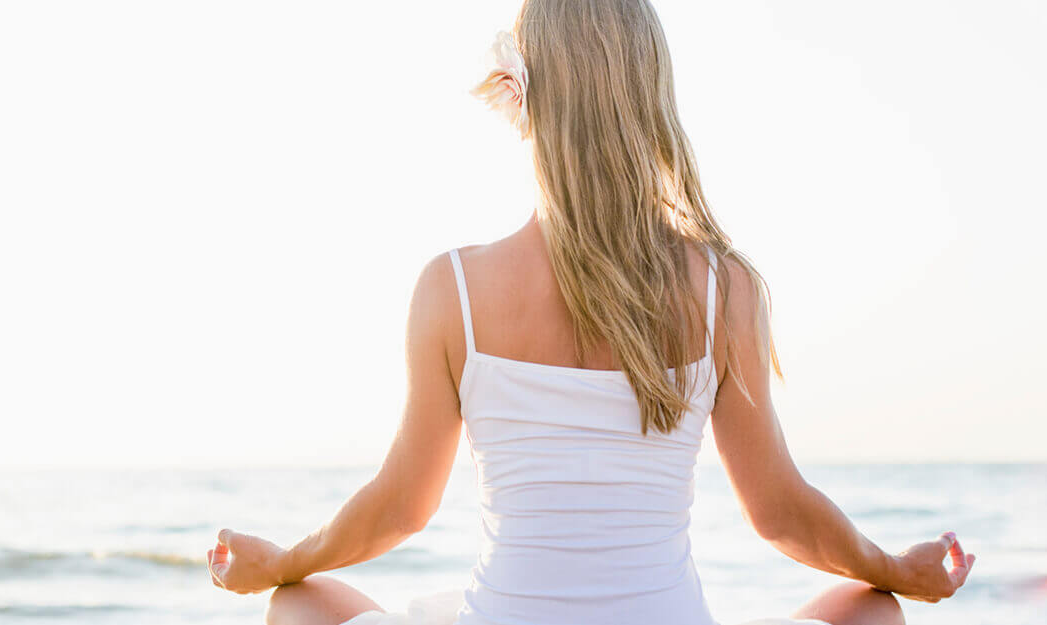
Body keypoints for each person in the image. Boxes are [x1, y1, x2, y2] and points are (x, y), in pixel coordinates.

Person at [206, 1, 975, 623]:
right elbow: (779, 513)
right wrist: (893, 569)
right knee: (870, 610)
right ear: (649, 97)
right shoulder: (723, 287)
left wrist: (281, 561)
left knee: (299, 601)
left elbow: (400, 508)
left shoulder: (453, 289)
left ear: (524, 102)